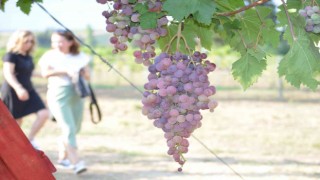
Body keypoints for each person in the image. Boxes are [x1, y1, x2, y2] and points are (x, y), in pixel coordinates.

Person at [38, 30, 91, 174]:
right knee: (68, 129)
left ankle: (63, 156)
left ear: (70, 42)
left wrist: (81, 73)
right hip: (58, 94)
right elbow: (45, 74)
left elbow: (88, 77)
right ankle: (76, 162)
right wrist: (66, 71)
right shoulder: (49, 56)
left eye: (60, 41)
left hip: (77, 94)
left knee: (75, 128)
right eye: (54, 41)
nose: (57, 45)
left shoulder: (80, 57)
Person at [1, 30, 49, 149]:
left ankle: (30, 139)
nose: (29, 44)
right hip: (13, 90)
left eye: (31, 41)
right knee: (16, 122)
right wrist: (18, 88)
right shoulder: (10, 56)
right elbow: (8, 73)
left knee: (44, 113)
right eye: (26, 41)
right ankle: (12, 147)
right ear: (18, 40)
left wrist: (50, 74)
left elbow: (29, 73)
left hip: (28, 89)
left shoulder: (28, 57)